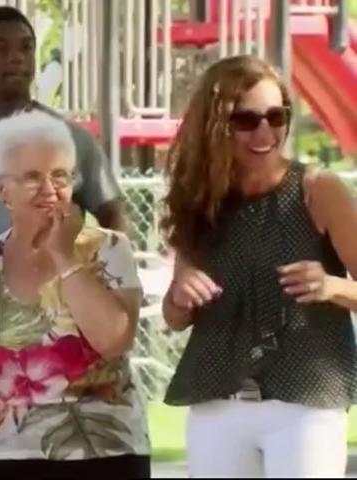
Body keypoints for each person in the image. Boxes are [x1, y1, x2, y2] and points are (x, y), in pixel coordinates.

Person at [161, 55, 357, 478]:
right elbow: (175, 319)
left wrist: (330, 286)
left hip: (305, 404)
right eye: (246, 120)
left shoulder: (318, 190)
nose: (265, 132)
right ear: (215, 126)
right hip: (217, 405)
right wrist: (179, 295)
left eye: (276, 116)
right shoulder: (200, 201)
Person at [0, 111, 149, 478]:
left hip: (104, 453)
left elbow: (114, 341)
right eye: (32, 177)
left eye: (60, 175)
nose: (50, 189)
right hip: (0, 455)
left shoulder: (109, 249)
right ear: (2, 190)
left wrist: (64, 256)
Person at [0, 6, 126, 244]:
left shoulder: (71, 137)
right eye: (2, 48)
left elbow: (112, 213)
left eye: (26, 48)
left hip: (54, 267)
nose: (17, 57)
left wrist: (116, 260)